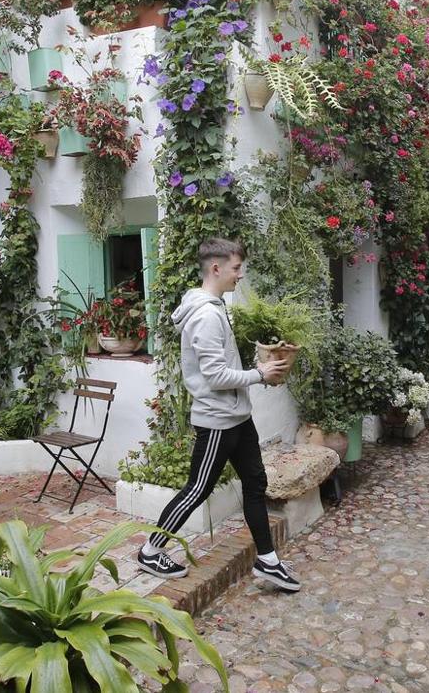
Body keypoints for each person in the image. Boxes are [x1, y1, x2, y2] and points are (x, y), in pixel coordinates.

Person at [136, 237, 300, 592]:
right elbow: (215, 376)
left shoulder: (215, 307)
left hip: (238, 417)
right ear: (216, 268)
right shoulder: (206, 315)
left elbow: (222, 365)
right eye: (236, 268)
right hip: (217, 422)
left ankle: (268, 561)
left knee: (255, 482)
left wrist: (255, 367)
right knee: (198, 488)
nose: (240, 275)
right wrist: (259, 374)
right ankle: (151, 550)